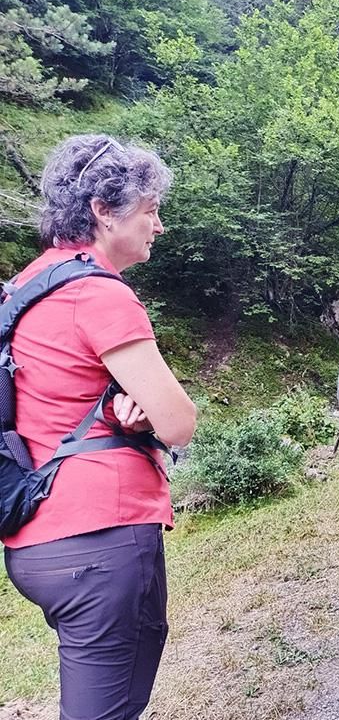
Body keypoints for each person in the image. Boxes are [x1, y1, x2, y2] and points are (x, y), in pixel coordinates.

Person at [2, 135, 197, 719]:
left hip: (34, 530)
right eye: (149, 210)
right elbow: (180, 423)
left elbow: (53, 397)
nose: (158, 226)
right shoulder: (97, 294)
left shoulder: (28, 285)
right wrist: (146, 414)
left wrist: (116, 409)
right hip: (98, 538)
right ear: (102, 210)